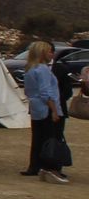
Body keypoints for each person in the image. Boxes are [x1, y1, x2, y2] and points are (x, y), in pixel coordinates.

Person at [21, 41, 68, 183]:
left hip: (36, 109)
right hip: (46, 108)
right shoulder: (43, 70)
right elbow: (46, 92)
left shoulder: (30, 69)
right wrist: (54, 110)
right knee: (50, 139)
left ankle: (36, 166)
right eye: (48, 51)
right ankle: (51, 168)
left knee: (38, 139)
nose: (51, 54)